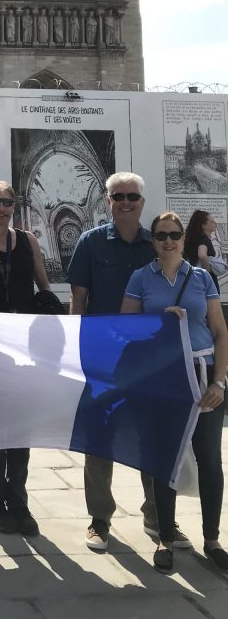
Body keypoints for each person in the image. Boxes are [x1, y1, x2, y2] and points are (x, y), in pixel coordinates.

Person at [67, 172, 188, 552]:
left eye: (132, 196)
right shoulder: (89, 242)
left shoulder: (155, 244)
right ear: (107, 201)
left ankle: (158, 518)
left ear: (141, 201)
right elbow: (79, 300)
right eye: (118, 196)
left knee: (153, 435)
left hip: (149, 357)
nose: (125, 202)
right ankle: (99, 519)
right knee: (100, 435)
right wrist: (77, 350)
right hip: (104, 354)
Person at [121, 211, 228, 574]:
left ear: (184, 237)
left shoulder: (200, 278)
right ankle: (165, 537)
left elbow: (220, 332)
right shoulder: (141, 278)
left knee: (210, 459)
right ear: (153, 240)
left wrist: (219, 381)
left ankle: (212, 539)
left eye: (174, 234)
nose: (168, 241)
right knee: (164, 459)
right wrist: (158, 323)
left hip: (203, 374)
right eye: (161, 235)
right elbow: (126, 331)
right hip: (163, 378)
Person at [0, 181, 52, 537]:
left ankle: (18, 499)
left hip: (23, 343)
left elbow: (43, 287)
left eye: (7, 202)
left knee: (22, 426)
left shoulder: (28, 241)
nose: (2, 208)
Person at [184, 209, 221, 279]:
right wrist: (207, 273)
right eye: (212, 222)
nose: (215, 223)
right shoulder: (204, 240)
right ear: (204, 225)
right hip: (204, 280)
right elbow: (202, 255)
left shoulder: (193, 239)